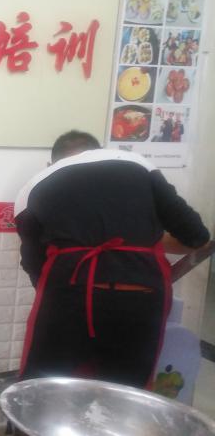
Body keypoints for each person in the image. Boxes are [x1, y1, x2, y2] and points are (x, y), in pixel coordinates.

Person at [14, 130, 210, 389]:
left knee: (42, 388)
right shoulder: (139, 165)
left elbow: (33, 263)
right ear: (100, 150)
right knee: (125, 393)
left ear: (51, 163)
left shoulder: (33, 187)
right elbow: (196, 236)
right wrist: (137, 240)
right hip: (142, 294)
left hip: (69, 296)